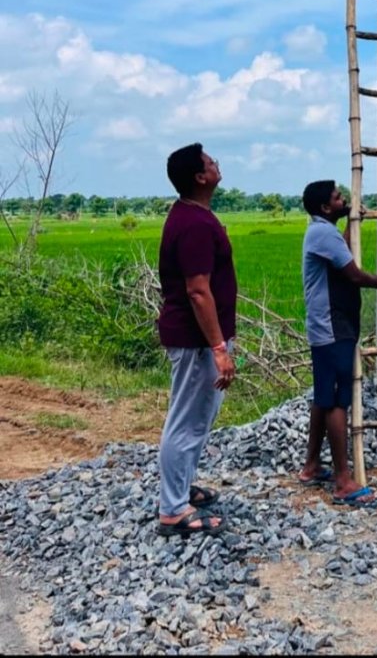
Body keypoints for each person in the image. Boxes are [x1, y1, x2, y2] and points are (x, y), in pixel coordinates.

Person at [156, 143, 238, 537]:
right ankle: (172, 509)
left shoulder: (194, 216)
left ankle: (181, 489)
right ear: (199, 177)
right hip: (196, 340)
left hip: (199, 339)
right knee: (186, 422)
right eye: (210, 162)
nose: (216, 164)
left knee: (197, 419)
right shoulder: (195, 225)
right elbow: (198, 291)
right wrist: (219, 348)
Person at [300, 180, 377, 507]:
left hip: (329, 325)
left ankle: (312, 465)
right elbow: (353, 274)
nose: (344, 200)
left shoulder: (324, 232)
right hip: (332, 327)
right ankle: (343, 481)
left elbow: (342, 251)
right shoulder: (323, 233)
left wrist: (357, 221)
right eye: (338, 198)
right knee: (337, 400)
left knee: (323, 395)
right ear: (326, 208)